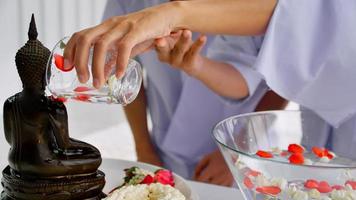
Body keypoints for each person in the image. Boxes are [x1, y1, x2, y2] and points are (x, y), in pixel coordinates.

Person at [63, 0, 356, 129]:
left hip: (233, 144)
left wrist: (174, 14)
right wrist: (144, 145)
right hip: (165, 141)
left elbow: (294, 43)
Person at [101, 0, 286, 186]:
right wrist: (143, 147)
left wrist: (238, 149)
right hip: (165, 154)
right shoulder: (128, 3)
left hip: (247, 150)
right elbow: (122, 73)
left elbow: (287, 77)